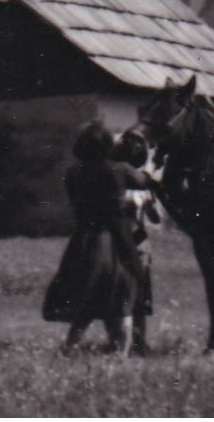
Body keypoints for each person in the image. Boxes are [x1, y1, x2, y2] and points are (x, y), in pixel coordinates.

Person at [43, 122, 152, 354]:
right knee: (123, 296)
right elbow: (144, 181)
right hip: (116, 241)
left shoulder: (73, 174)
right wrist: (136, 199)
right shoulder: (119, 170)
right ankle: (123, 354)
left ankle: (70, 349)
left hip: (84, 241)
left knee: (87, 301)